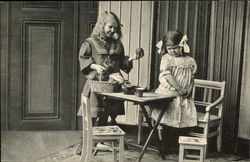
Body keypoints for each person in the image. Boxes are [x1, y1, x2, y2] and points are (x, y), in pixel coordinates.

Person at [76, 11, 144, 155]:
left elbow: (121, 63)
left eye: (116, 28)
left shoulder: (117, 44)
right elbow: (83, 58)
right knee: (92, 115)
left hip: (113, 85)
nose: (113, 30)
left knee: (109, 114)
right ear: (102, 25)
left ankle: (106, 140)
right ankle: (84, 143)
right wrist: (95, 66)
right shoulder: (90, 42)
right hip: (96, 84)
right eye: (110, 27)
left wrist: (132, 58)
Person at [149, 30, 198, 154]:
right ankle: (166, 146)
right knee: (167, 122)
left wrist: (188, 89)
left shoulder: (190, 60)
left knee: (182, 121)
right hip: (169, 94)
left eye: (175, 48)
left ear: (182, 45)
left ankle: (181, 147)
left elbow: (191, 78)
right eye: (169, 49)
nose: (172, 51)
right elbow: (168, 76)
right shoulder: (167, 59)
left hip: (184, 96)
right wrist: (180, 89)